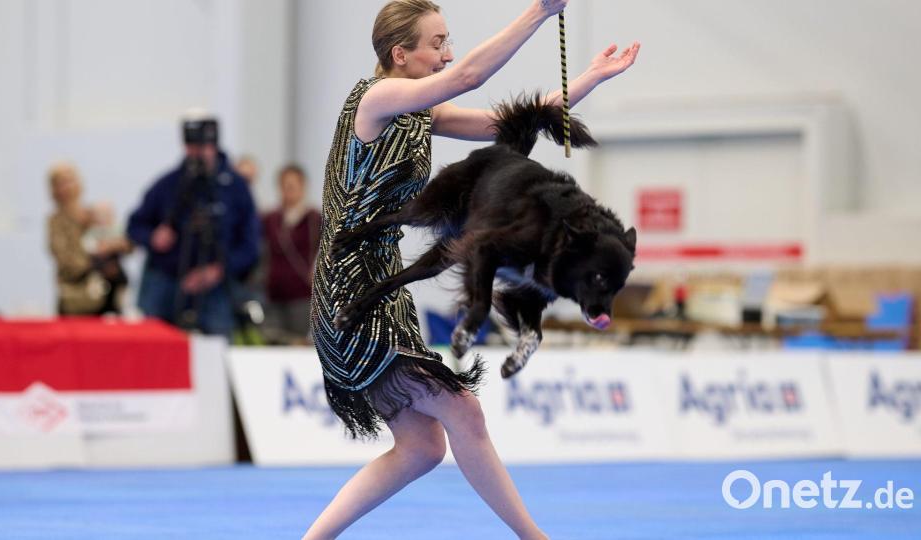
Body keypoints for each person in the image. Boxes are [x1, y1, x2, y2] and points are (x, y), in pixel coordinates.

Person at [305, 1, 639, 538]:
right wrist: (538, 11)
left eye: (447, 41)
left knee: (422, 448)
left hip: (382, 281)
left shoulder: (418, 112)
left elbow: (506, 124)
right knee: (464, 413)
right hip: (352, 285)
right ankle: (535, 537)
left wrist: (590, 79)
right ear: (400, 54)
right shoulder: (377, 98)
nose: (448, 54)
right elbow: (469, 75)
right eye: (436, 43)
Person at [126, 115, 260, 337]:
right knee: (155, 345)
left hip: (215, 288)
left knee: (215, 348)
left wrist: (218, 270)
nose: (197, 153)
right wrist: (153, 237)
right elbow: (134, 225)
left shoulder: (235, 188)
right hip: (167, 282)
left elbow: (251, 247)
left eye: (203, 146)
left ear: (214, 146)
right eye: (192, 146)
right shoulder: (168, 184)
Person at [47, 162, 131, 315]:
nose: (67, 187)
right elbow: (66, 259)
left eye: (70, 180)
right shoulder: (55, 222)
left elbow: (125, 242)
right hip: (76, 295)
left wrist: (113, 246)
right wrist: (96, 260)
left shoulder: (93, 213)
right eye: (61, 183)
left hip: (107, 292)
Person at [261, 164, 322, 344]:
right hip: (274, 293)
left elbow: (330, 250)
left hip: (301, 294)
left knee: (298, 343)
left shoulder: (314, 218)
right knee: (274, 341)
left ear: (302, 187)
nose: (288, 191)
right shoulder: (270, 219)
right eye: (284, 186)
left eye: (292, 186)